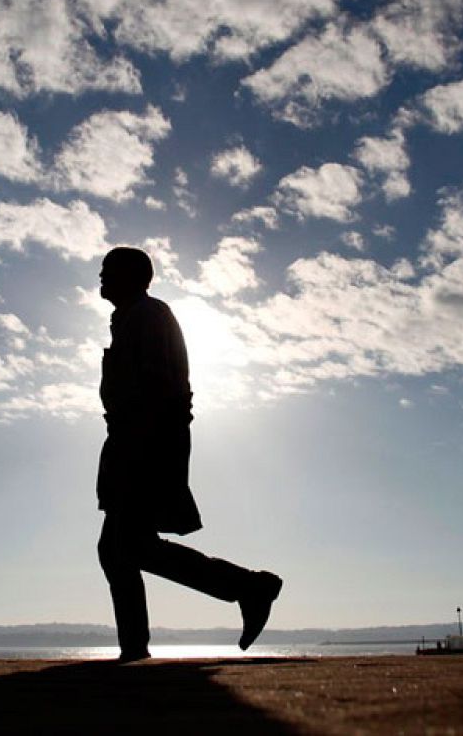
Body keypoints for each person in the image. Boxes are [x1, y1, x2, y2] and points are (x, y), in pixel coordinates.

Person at [94, 246, 282, 662]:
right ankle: (247, 588)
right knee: (129, 547)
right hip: (133, 449)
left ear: (134, 276)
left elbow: (167, 394)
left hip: (143, 451)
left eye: (108, 270)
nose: (100, 277)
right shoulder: (129, 320)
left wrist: (143, 455)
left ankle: (138, 650)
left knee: (120, 547)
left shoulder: (150, 316)